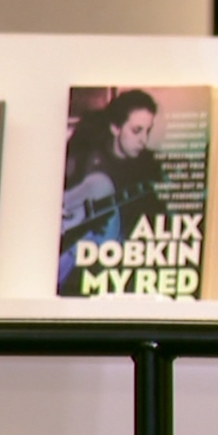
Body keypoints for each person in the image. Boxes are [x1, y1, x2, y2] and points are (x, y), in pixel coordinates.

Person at [58, 88, 166, 292]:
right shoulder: (83, 155)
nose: (143, 140)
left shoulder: (150, 167)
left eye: (147, 131)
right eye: (136, 130)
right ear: (115, 128)